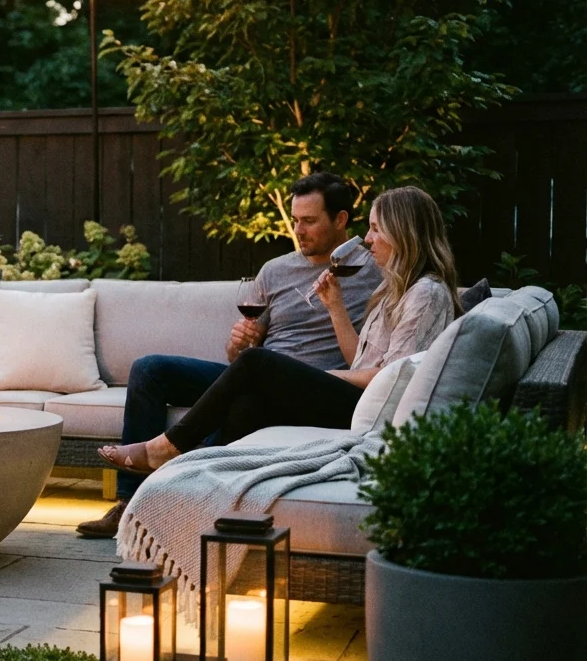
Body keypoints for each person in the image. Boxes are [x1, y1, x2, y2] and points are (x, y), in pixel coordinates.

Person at [76, 172, 382, 538]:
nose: (299, 230)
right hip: (257, 369)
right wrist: (241, 342)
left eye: (310, 221)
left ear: (341, 220)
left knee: (247, 398)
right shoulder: (276, 270)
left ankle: (173, 483)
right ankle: (130, 504)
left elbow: (375, 354)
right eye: (296, 220)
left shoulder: (373, 273)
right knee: (149, 369)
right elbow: (244, 352)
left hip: (316, 387)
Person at [99, 185, 459, 478]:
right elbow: (359, 361)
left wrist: (315, 373)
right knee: (206, 382)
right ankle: (174, 488)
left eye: (377, 229)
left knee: (256, 369)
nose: (368, 239)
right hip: (284, 377)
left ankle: (168, 451)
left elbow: (390, 377)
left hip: (351, 399)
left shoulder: (419, 291)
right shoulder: (394, 289)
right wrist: (332, 307)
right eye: (295, 220)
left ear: (403, 233)